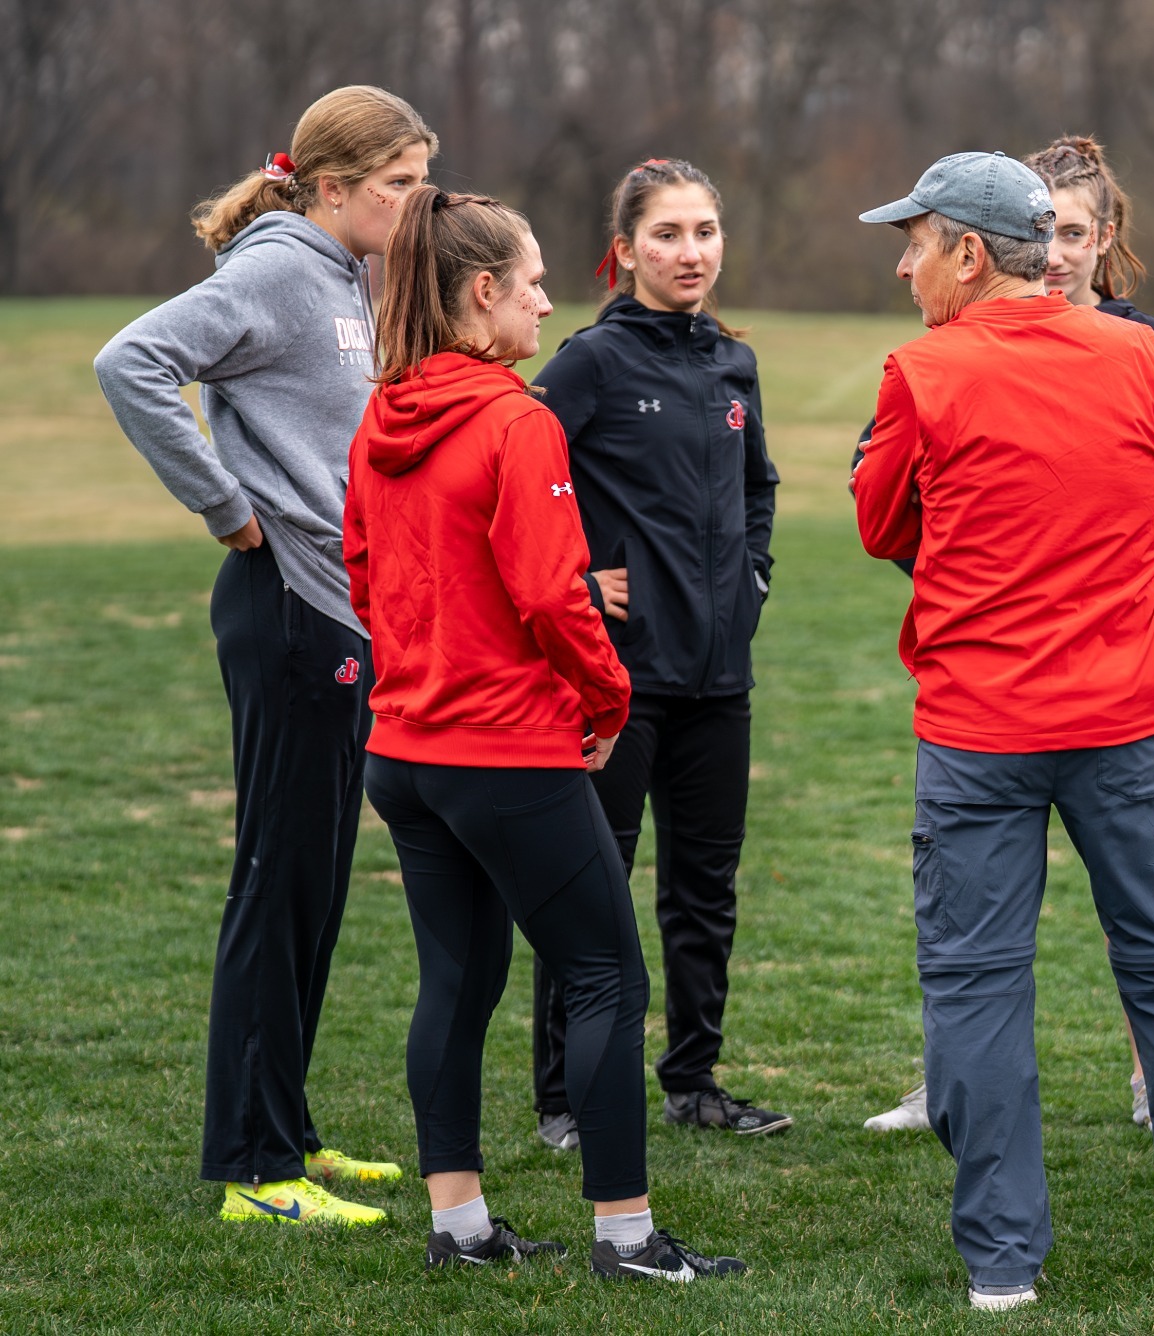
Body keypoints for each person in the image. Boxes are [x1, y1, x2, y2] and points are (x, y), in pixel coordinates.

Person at [853, 151, 1154, 1309]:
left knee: (975, 983)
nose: (903, 267)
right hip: (1123, 721)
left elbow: (880, 523)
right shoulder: (1140, 354)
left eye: (914, 244)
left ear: (967, 253)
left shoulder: (920, 371)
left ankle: (1002, 1262)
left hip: (977, 727)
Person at [345, 184, 745, 1281]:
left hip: (404, 752)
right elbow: (553, 593)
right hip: (501, 752)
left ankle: (460, 1226)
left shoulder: (383, 412)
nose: (546, 301)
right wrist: (606, 702)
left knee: (457, 979)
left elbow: (364, 576)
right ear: (483, 292)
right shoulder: (517, 420)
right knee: (607, 974)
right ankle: (628, 1238)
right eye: (531, 283)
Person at [93, 85, 435, 1227]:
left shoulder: (345, 273)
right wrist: (226, 505)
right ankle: (254, 1170)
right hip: (283, 602)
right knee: (275, 883)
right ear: (332, 188)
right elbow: (131, 362)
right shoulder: (282, 268)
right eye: (396, 183)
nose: (414, 201)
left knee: (315, 885)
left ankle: (289, 1132)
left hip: (336, 613)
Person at [525, 159, 787, 1147]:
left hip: (720, 681)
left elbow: (758, 488)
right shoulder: (590, 362)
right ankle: (565, 1099)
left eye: (705, 231)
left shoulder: (732, 363)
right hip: (618, 681)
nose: (691, 252)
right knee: (590, 888)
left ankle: (694, 1082)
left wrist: (753, 580)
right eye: (668, 234)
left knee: (704, 894)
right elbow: (513, 482)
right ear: (625, 250)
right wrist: (577, 584)